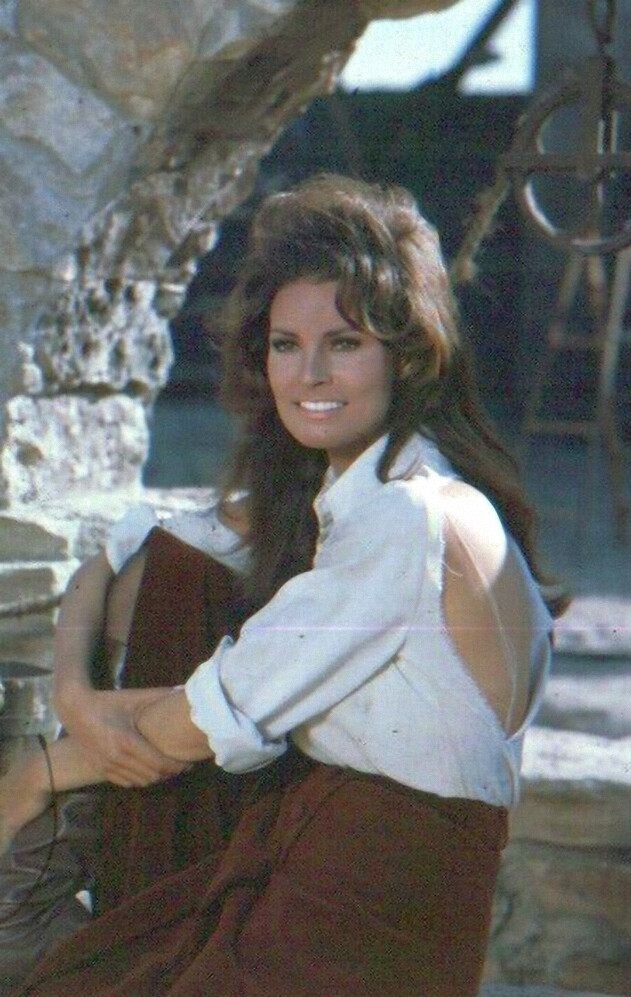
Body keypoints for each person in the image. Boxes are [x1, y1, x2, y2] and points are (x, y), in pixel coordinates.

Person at [6, 174, 567, 996]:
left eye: (343, 343)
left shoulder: (406, 516)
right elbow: (125, 549)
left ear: (407, 355)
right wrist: (73, 694)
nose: (309, 374)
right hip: (330, 874)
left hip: (362, 911)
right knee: (176, 567)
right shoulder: (382, 498)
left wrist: (37, 773)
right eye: (284, 344)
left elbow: (205, 717)